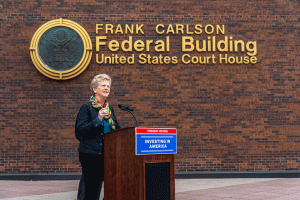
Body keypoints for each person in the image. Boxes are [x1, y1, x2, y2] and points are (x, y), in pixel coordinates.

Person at [75, 74, 121, 200]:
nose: (107, 88)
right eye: (103, 85)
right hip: (90, 154)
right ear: (94, 89)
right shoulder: (87, 108)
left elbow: (116, 129)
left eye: (108, 86)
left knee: (113, 187)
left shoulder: (109, 108)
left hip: (108, 155)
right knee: (90, 189)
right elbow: (79, 132)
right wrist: (98, 119)